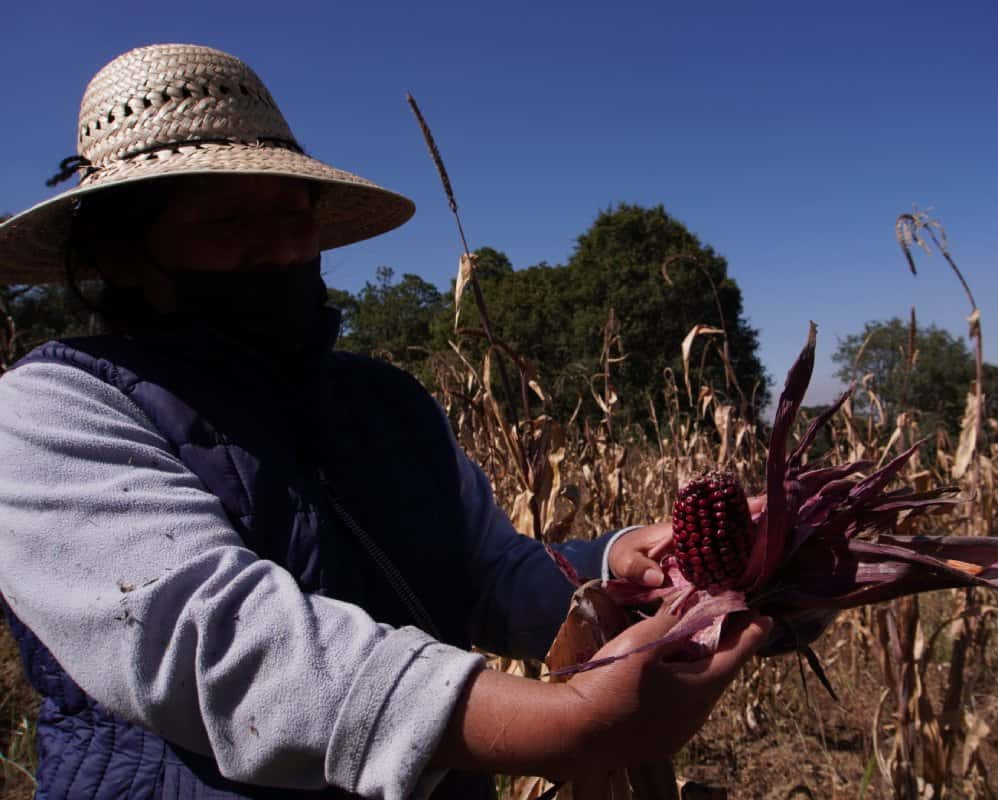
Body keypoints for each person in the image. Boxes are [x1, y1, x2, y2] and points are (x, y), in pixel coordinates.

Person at [0, 44, 770, 799]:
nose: (277, 250)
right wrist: (563, 723)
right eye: (228, 221)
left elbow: (490, 577)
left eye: (293, 218)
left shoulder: (386, 403)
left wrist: (619, 567)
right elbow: (223, 646)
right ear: (121, 252)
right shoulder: (53, 412)